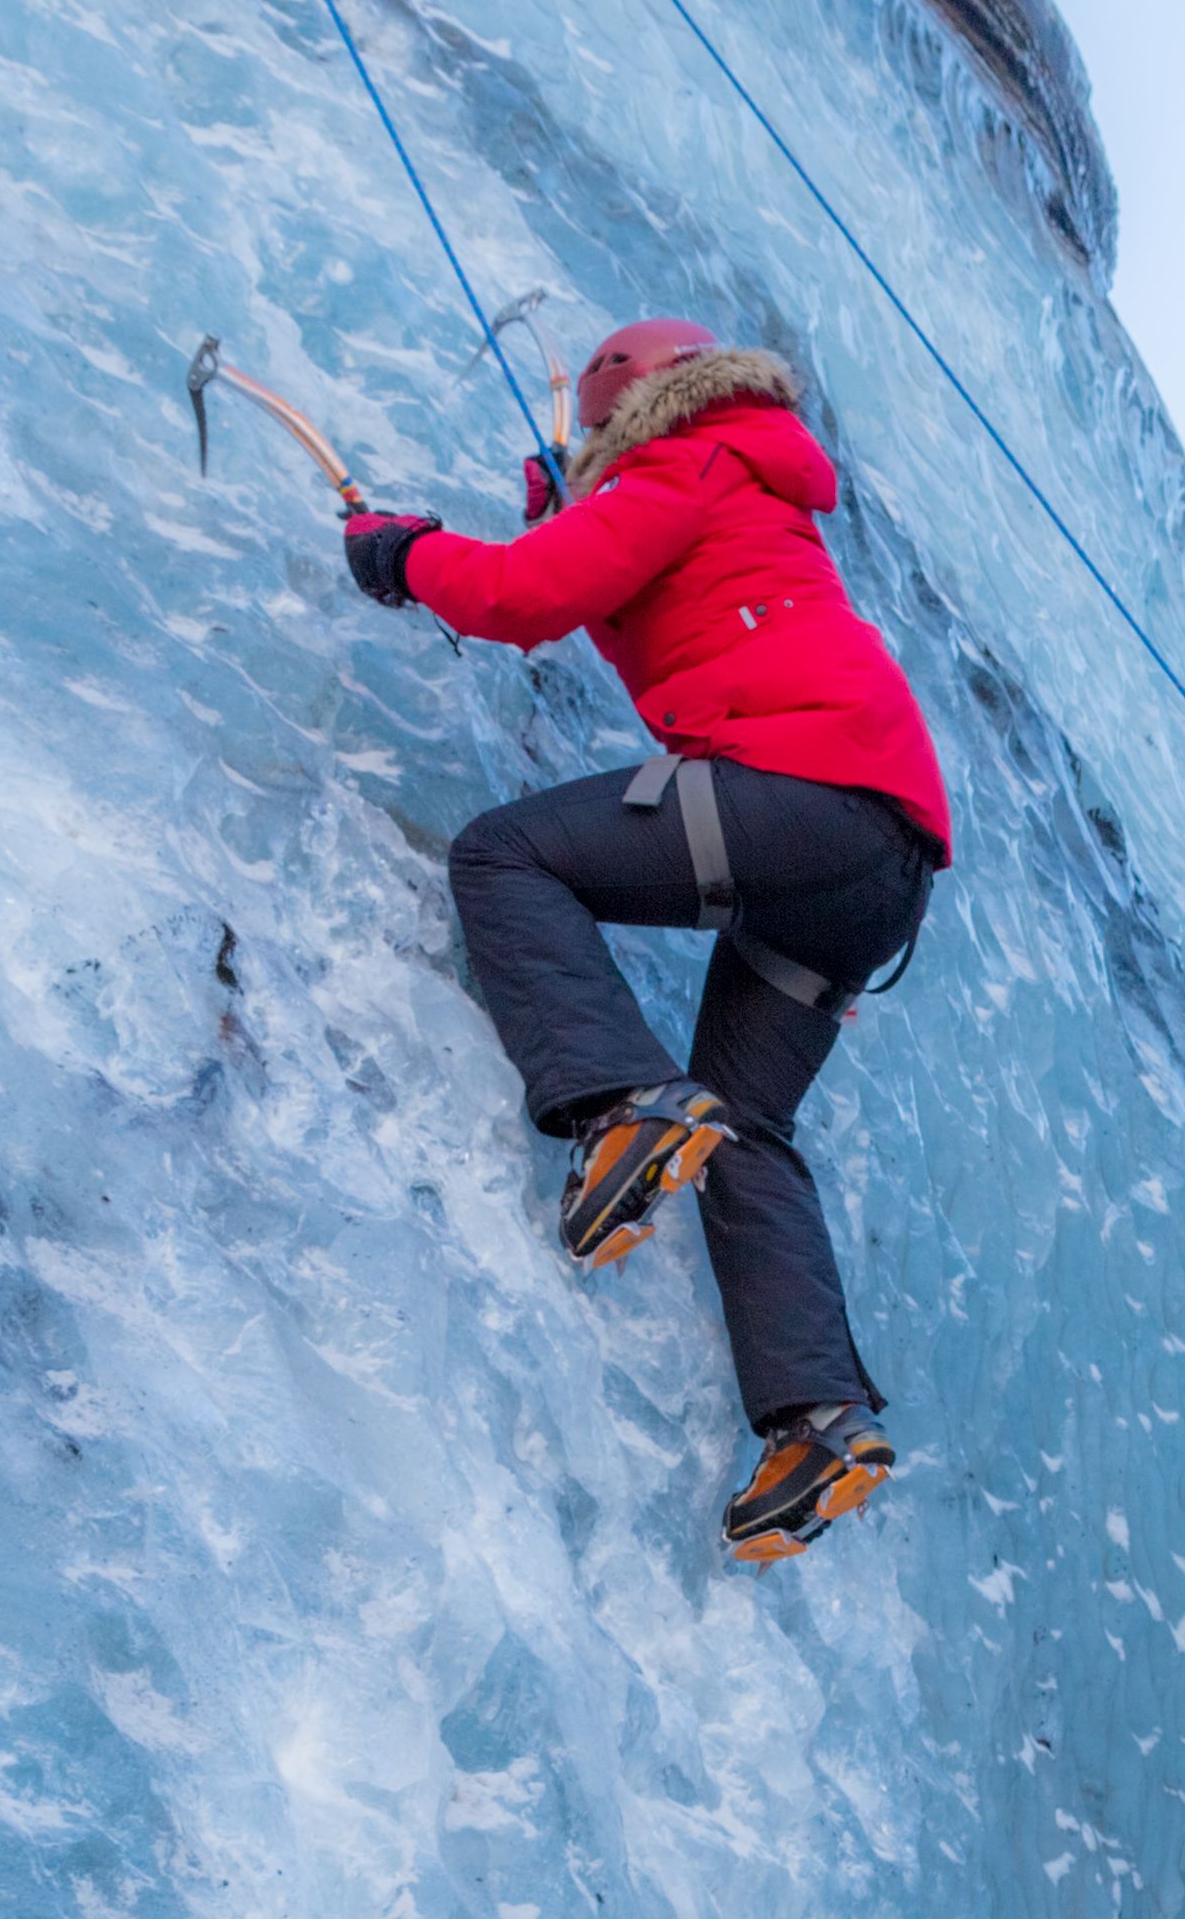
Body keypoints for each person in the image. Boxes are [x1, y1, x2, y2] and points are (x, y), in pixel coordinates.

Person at [342, 317, 949, 1564]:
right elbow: (614, 590)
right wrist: (567, 503)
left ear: (633, 404)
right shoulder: (739, 477)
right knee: (747, 1123)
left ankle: (620, 1101)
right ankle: (817, 1424)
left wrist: (406, 553)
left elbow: (527, 598)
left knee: (504, 856)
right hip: (878, 870)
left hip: (803, 800)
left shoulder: (689, 467)